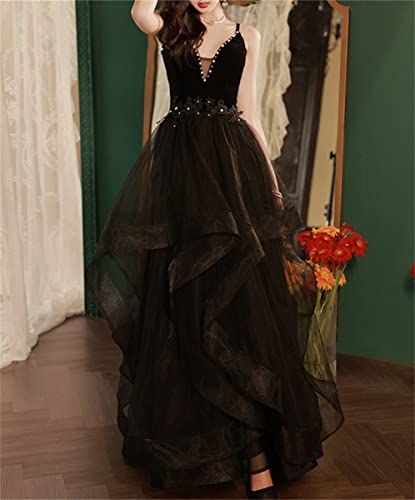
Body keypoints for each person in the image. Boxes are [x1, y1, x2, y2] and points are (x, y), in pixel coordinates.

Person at [86, 0, 345, 498]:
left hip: (232, 176)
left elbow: (250, 114)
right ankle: (198, 443)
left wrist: (271, 184)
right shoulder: (168, 27)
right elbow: (139, 11)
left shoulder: (249, 36)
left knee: (240, 307)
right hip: (181, 178)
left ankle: (257, 456)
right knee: (185, 303)